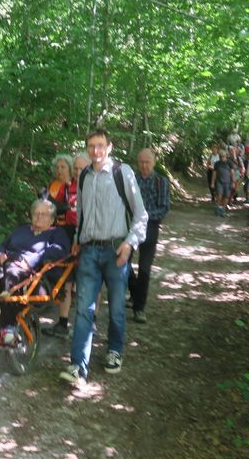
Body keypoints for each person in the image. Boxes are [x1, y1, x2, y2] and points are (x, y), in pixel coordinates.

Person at [59, 129, 147, 386]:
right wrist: (77, 240)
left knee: (117, 307)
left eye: (100, 145)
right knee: (84, 310)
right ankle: (78, 366)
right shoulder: (85, 175)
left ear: (109, 147)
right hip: (88, 251)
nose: (95, 151)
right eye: (91, 146)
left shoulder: (122, 173)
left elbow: (141, 214)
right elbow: (82, 215)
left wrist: (130, 244)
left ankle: (114, 351)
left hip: (115, 250)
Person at [0, 199, 71, 344]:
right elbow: (3, 245)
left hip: (34, 277)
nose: (38, 217)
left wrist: (28, 261)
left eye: (43, 214)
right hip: (6, 266)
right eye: (36, 213)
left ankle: (9, 327)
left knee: (12, 274)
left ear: (51, 220)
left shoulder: (57, 233)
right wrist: (0, 254)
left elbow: (58, 252)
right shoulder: (22, 229)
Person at [43, 152, 92, 338]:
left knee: (89, 279)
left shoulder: (95, 186)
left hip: (89, 235)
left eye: (81, 168)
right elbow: (59, 209)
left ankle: (91, 323)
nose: (78, 172)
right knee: (67, 277)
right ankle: (63, 323)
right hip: (69, 232)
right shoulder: (66, 187)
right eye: (77, 169)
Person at [128, 149, 170, 324]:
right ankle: (135, 292)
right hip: (129, 227)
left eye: (147, 162)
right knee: (122, 261)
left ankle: (139, 308)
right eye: (141, 162)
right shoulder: (131, 179)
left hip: (150, 227)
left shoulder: (161, 182)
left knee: (145, 268)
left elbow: (164, 208)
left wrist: (144, 216)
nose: (144, 165)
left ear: (154, 162)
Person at [47, 154, 75, 237]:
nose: (59, 170)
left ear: (70, 169)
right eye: (57, 167)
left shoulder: (73, 185)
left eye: (63, 167)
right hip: (50, 223)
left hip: (67, 226)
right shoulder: (52, 184)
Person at [211, 149, 235, 217]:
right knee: (219, 195)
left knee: (226, 196)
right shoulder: (217, 163)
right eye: (221, 156)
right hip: (219, 182)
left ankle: (223, 210)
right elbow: (214, 173)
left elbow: (232, 173)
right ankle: (218, 208)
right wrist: (212, 183)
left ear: (226, 156)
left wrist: (233, 182)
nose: (222, 158)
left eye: (223, 156)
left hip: (228, 182)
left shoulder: (229, 163)